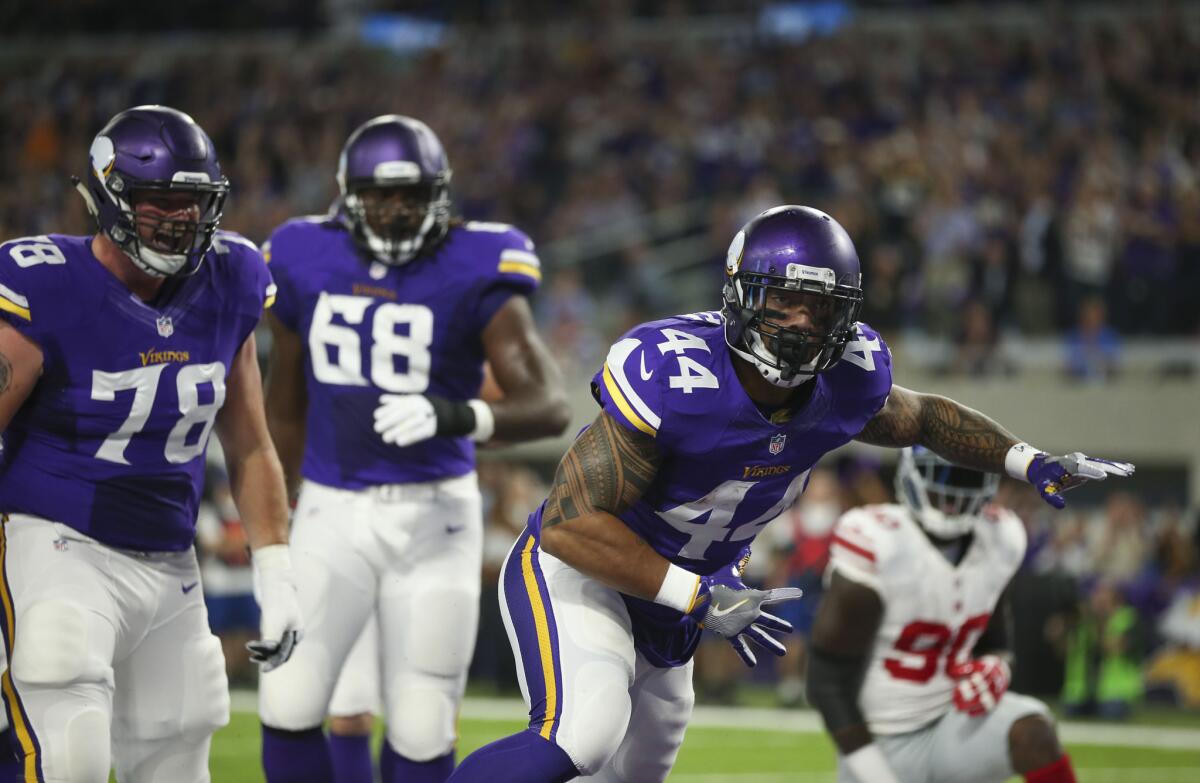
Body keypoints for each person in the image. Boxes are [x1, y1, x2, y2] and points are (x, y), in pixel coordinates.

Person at [446, 205, 1134, 783]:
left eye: (822, 305)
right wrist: (698, 594)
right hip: (588, 569)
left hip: (688, 592)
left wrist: (1026, 458)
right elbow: (569, 523)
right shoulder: (673, 374)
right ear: (743, 293)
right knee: (584, 732)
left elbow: (924, 417)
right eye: (787, 299)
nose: (803, 321)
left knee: (639, 768)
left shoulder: (848, 380)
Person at [257, 114, 570, 783]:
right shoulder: (301, 251)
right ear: (348, 191)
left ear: (440, 193)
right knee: (289, 696)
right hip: (331, 504)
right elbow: (283, 398)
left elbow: (549, 403)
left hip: (437, 512)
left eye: (412, 194)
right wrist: (273, 522)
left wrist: (453, 413)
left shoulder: (479, 260)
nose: (397, 209)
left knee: (424, 717)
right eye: (379, 193)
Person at [0, 105, 301, 782]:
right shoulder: (42, 281)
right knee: (65, 730)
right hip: (58, 540)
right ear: (108, 195)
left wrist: (276, 566)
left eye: (192, 203)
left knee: (180, 739)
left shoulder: (232, 278)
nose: (179, 219)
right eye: (159, 201)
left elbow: (249, 440)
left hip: (169, 555)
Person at [807, 446, 1077, 783]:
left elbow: (995, 640)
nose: (952, 493)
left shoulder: (1000, 537)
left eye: (967, 477)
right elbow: (825, 682)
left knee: (1034, 732)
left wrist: (997, 667)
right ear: (911, 476)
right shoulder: (878, 541)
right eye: (941, 478)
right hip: (878, 740)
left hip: (953, 720)